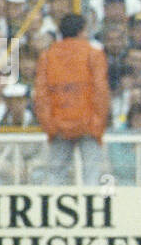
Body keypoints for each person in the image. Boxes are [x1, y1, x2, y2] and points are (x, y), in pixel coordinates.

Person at [33, 13, 109, 184]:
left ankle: (53, 210)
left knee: (54, 176)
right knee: (92, 176)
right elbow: (100, 91)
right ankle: (90, 210)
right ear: (82, 31)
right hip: (89, 124)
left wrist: (49, 125)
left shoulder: (47, 56)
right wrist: (98, 122)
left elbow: (41, 95)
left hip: (58, 124)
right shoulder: (94, 54)